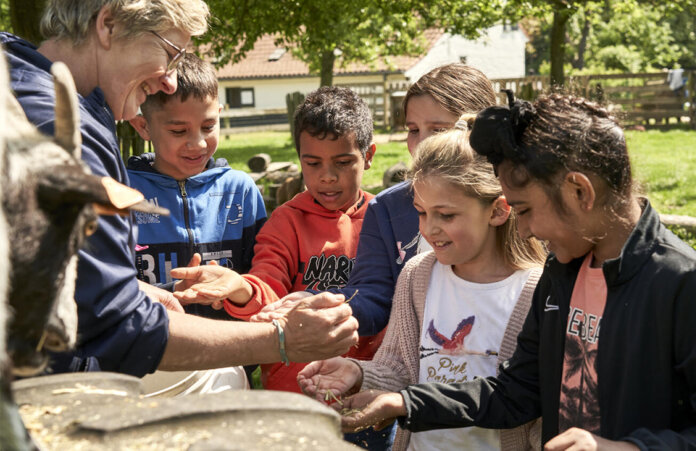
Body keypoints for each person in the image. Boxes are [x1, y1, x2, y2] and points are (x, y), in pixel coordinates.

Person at [327, 92, 696, 450]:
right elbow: (515, 393)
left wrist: (626, 449)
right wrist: (403, 401)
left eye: (524, 209)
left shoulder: (685, 285)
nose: (521, 227)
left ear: (579, 191)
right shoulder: (562, 274)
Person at [2, 0, 356, 379]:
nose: (170, 80)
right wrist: (282, 338)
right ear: (108, 26)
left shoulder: (20, 81)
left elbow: (69, 285)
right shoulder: (59, 129)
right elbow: (118, 331)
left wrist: (127, 292)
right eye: (169, 53)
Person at [298, 121, 548, 450]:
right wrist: (357, 373)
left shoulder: (537, 291)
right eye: (421, 212)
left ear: (499, 211)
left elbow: (529, 401)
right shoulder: (417, 275)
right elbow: (399, 367)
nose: (430, 229)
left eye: (446, 215)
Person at [171, 86, 390, 448]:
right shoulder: (286, 222)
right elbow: (268, 285)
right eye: (313, 163)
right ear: (300, 158)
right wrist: (239, 287)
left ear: (368, 156)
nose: (327, 176)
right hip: (294, 398)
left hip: (366, 392)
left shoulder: (385, 220)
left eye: (343, 162)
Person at [327, 63, 498, 336]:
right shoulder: (386, 209)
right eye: (413, 129)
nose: (422, 144)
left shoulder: (516, 203)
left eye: (438, 130)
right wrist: (332, 307)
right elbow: (373, 295)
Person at [127, 52, 267, 315]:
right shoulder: (121, 191)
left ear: (219, 115)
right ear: (143, 127)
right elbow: (105, 281)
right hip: (151, 345)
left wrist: (237, 291)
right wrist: (167, 295)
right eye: (179, 131)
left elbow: (264, 278)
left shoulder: (240, 190)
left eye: (208, 126)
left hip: (232, 345)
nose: (199, 143)